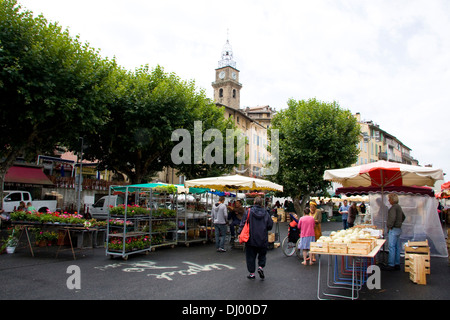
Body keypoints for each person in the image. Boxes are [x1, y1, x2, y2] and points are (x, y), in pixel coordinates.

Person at [238, 196, 273, 280]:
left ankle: (252, 273)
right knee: (262, 255)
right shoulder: (266, 213)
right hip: (262, 238)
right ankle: (260, 267)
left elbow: (243, 223)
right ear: (262, 203)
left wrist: (239, 232)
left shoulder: (248, 211)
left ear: (254, 202)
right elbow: (270, 225)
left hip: (251, 238)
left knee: (250, 256)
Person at [383, 193, 405, 271]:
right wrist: (399, 223)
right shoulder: (399, 207)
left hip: (394, 229)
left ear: (392, 199)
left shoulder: (393, 208)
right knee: (397, 247)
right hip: (398, 229)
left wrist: (389, 226)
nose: (388, 200)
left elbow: (392, 219)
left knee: (391, 247)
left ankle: (391, 264)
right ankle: (397, 263)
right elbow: (403, 217)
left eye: (389, 199)